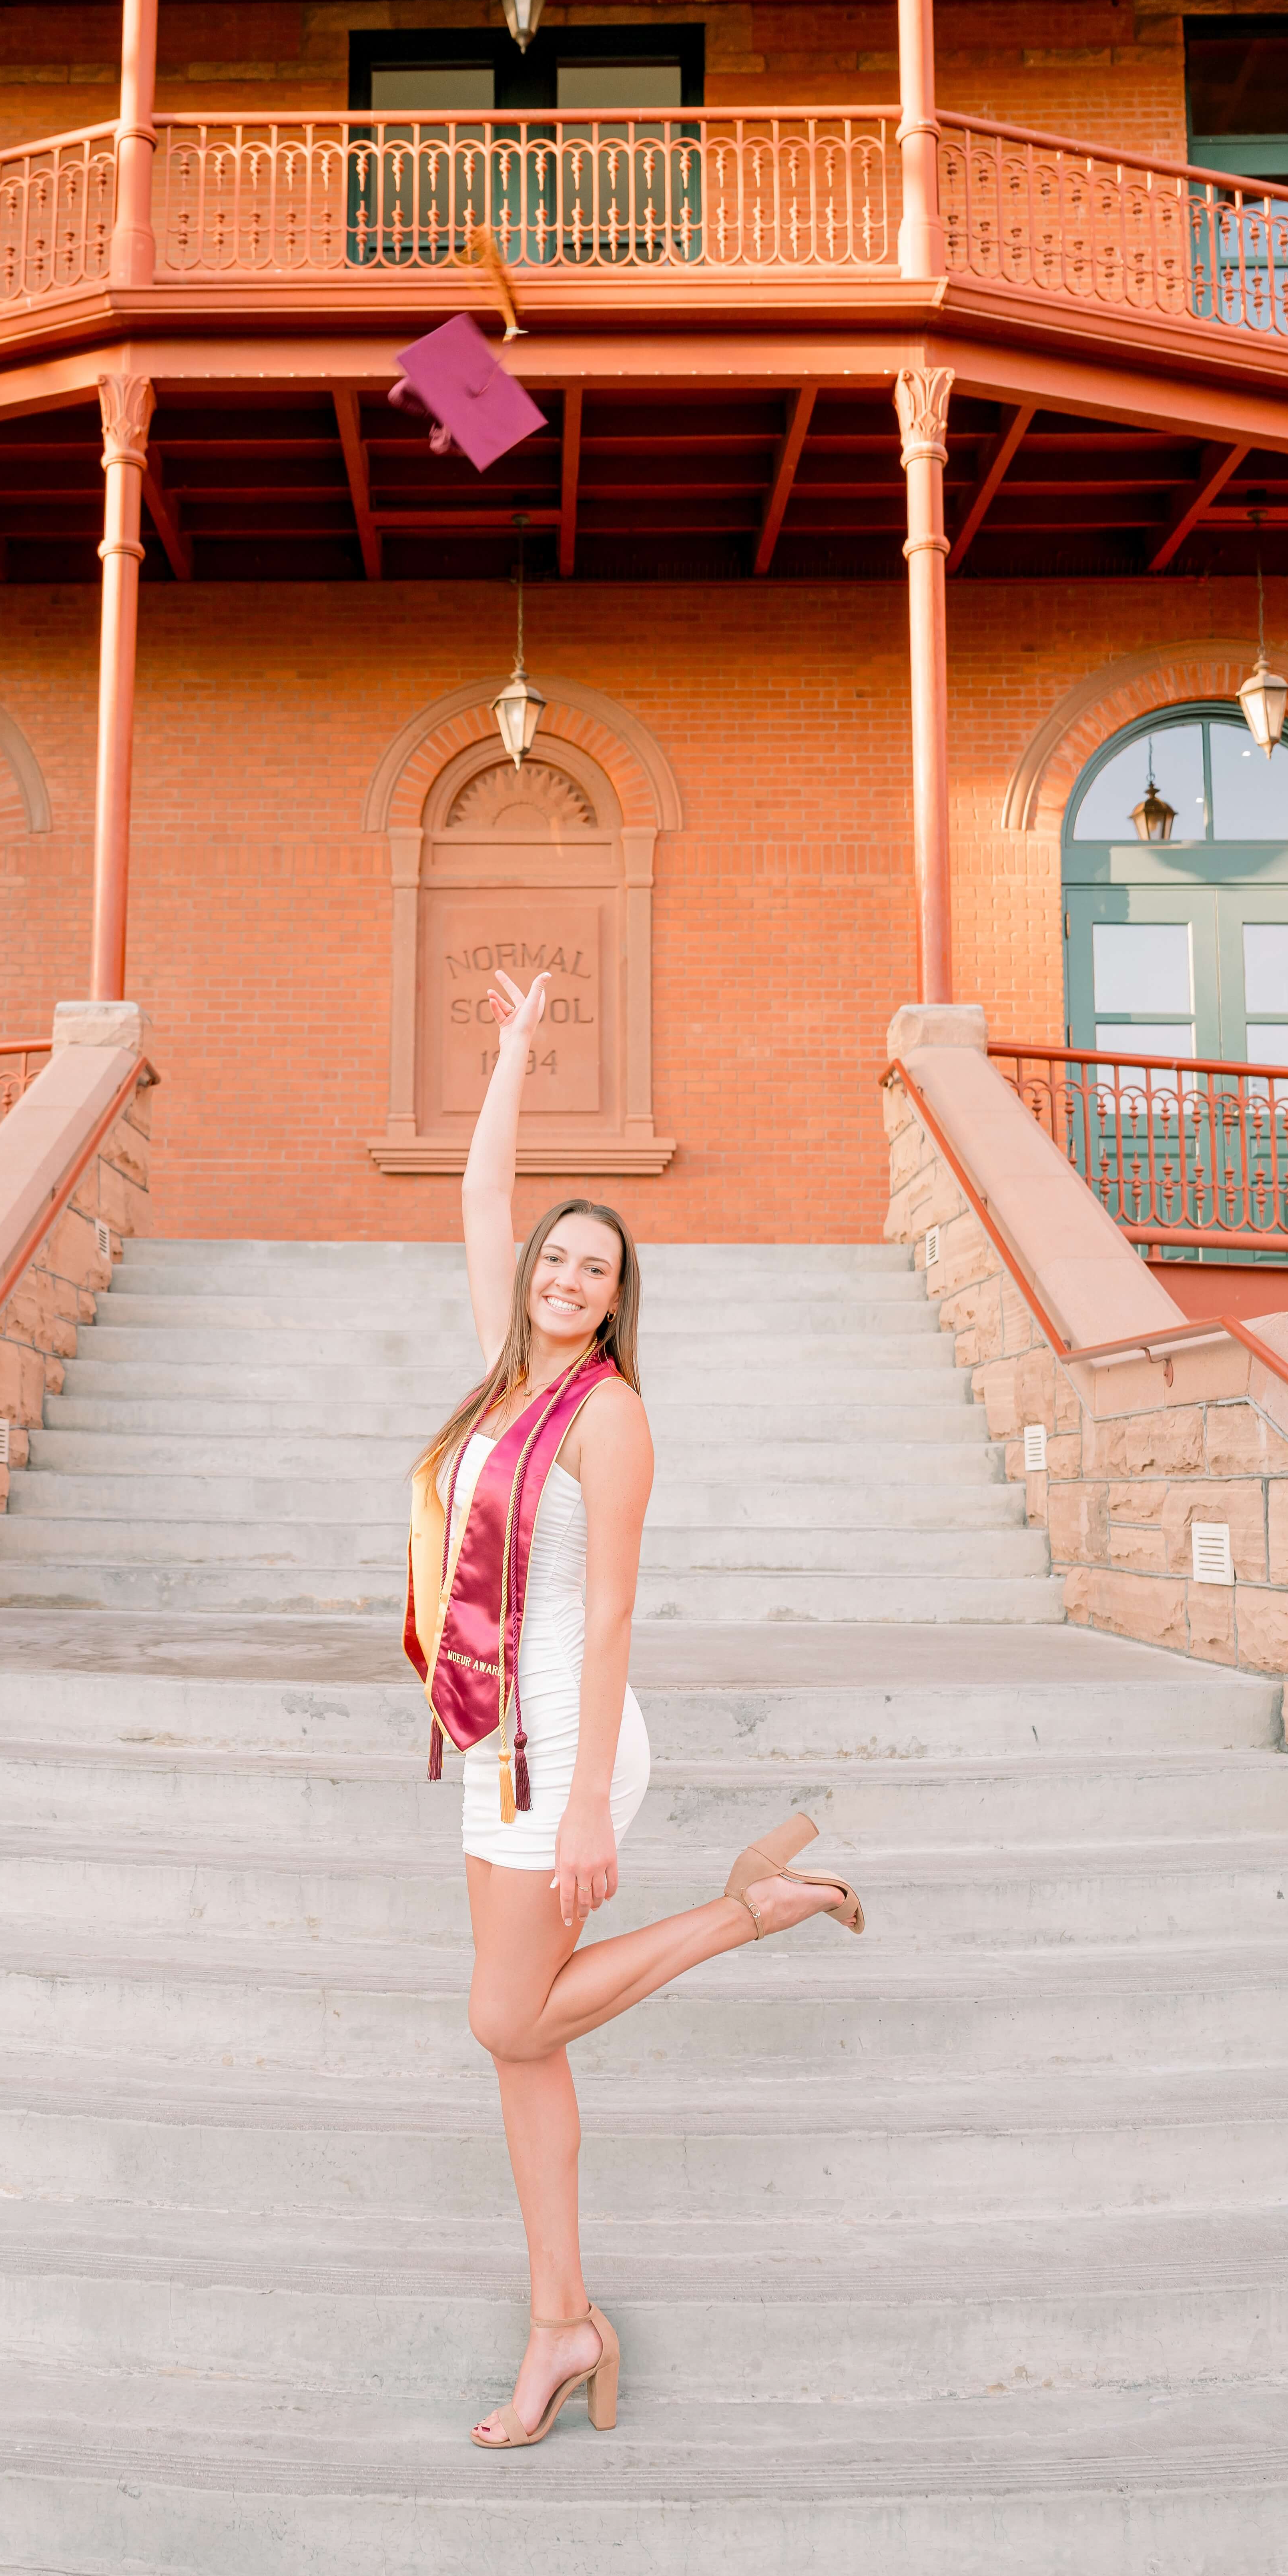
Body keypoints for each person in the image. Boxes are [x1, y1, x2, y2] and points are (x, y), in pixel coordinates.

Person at [406, 965, 864, 2453]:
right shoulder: (498, 1383)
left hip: (568, 1748)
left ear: (617, 1301)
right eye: (558, 1261)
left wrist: (595, 1797)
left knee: (502, 2011)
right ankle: (561, 2328)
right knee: (525, 2047)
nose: (565, 1281)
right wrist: (520, 1055)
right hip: (495, 1745)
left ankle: (748, 1911)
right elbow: (481, 1198)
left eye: (595, 1272)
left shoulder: (611, 1418)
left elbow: (606, 1618)